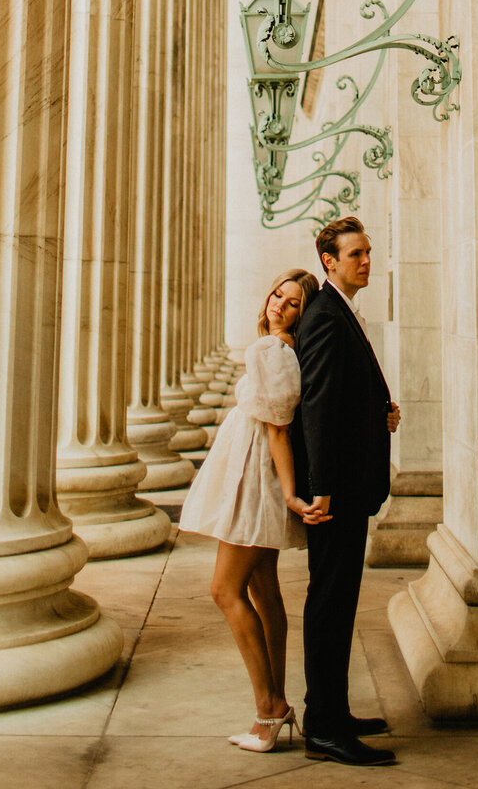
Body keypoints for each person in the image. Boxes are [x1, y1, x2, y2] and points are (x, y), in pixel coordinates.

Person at [177, 266, 328, 753]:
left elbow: (279, 428)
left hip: (254, 477)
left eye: (292, 303)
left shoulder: (269, 349)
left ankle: (270, 709)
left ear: (301, 314)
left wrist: (287, 493)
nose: (278, 305)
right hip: (260, 472)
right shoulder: (285, 350)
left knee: (224, 589)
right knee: (265, 593)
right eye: (277, 295)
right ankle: (276, 705)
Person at [292, 216, 401, 767]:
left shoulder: (337, 311)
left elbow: (345, 398)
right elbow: (316, 409)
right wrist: (323, 489)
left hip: (348, 490)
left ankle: (333, 711)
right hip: (336, 495)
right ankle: (324, 728)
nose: (366, 260)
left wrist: (379, 410)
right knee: (329, 606)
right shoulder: (327, 317)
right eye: (355, 253)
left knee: (337, 604)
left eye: (367, 252)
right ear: (329, 261)